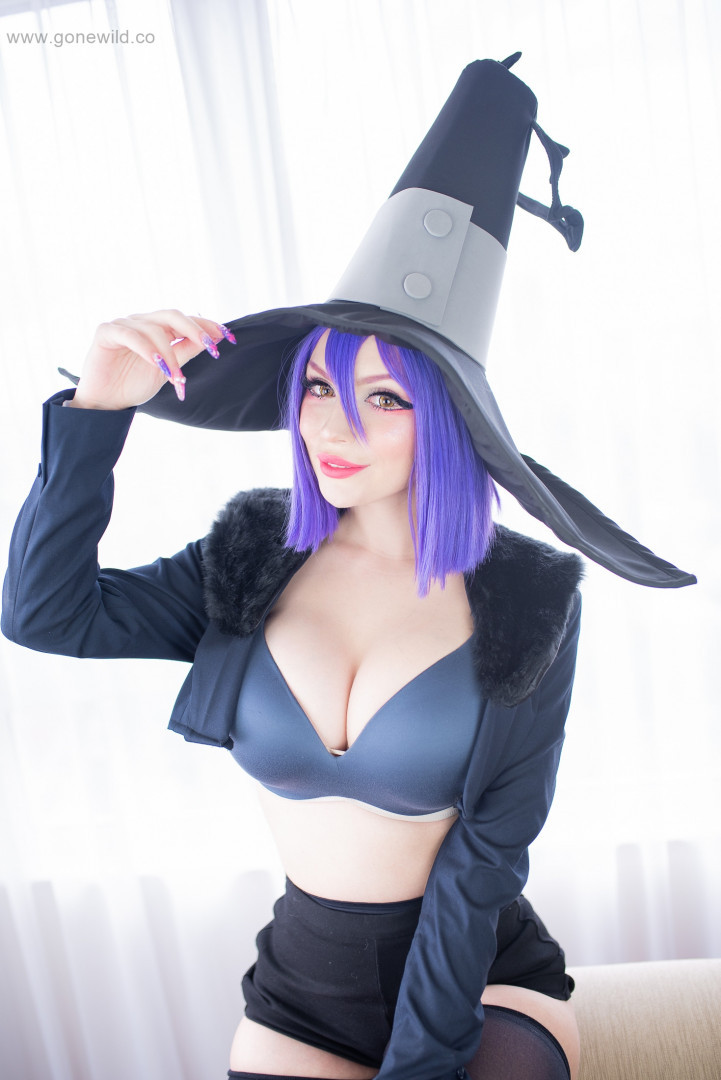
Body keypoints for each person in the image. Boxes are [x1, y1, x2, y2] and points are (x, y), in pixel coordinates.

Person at [2, 56, 695, 1080]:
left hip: (481, 976)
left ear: (447, 418)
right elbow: (45, 614)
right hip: (303, 992)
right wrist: (97, 410)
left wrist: (419, 1065)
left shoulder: (528, 596)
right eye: (319, 388)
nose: (332, 426)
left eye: (385, 399)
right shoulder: (249, 557)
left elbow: (484, 859)